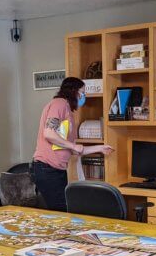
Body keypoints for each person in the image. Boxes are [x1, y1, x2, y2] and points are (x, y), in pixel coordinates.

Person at [32, 77, 113, 211]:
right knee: (61, 212)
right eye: (82, 92)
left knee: (63, 210)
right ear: (73, 91)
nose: (83, 96)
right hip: (47, 168)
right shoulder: (59, 104)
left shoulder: (68, 112)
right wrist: (73, 146)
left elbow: (75, 150)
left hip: (57, 170)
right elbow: (49, 133)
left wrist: (100, 148)